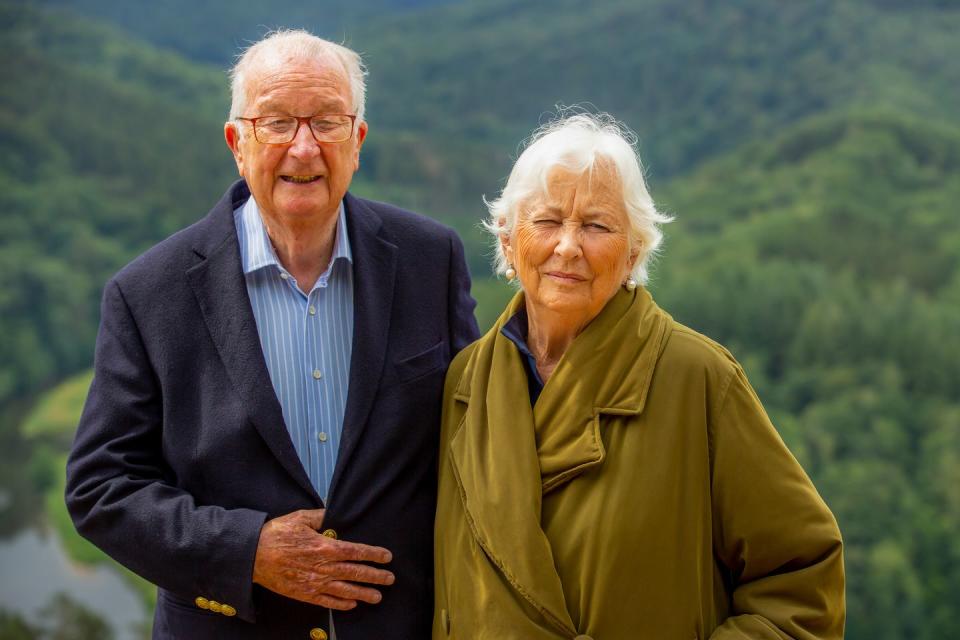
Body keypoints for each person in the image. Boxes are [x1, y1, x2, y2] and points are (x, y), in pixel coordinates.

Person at [66, 29, 478, 639]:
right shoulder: (148, 293)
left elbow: (477, 441)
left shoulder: (430, 259)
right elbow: (100, 488)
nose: (304, 149)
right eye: (278, 123)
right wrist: (247, 549)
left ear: (357, 140)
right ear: (238, 142)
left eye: (328, 122)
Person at [433, 113, 844, 639]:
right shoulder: (466, 383)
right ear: (508, 241)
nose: (568, 246)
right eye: (548, 221)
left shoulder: (697, 378)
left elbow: (802, 579)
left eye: (597, 226)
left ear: (632, 252)